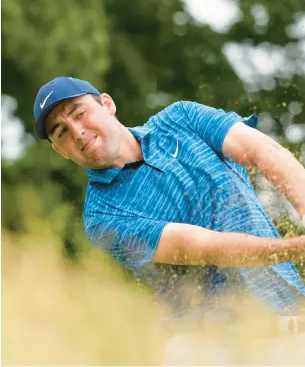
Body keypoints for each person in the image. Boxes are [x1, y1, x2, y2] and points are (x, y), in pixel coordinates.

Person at [33, 76, 305, 331]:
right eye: (61, 132)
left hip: (291, 312)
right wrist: (296, 248)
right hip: (210, 342)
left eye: (79, 114)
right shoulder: (101, 217)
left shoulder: (181, 118)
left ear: (107, 104)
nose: (77, 132)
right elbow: (202, 247)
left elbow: (263, 153)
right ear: (60, 150)